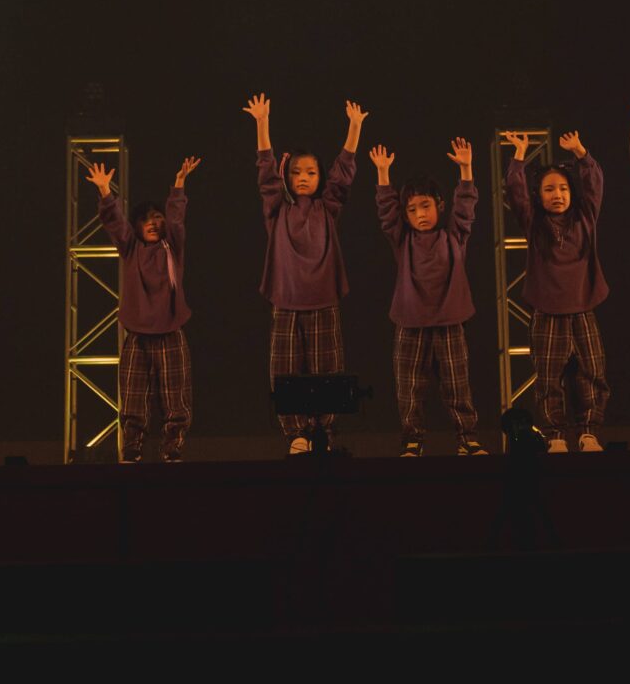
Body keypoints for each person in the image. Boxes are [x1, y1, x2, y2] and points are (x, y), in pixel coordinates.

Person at [249, 93, 364, 455]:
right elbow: (267, 174)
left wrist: (354, 128)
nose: (303, 178)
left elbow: (343, 175)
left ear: (319, 177)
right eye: (296, 172)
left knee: (327, 368)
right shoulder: (277, 209)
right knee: (284, 369)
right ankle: (295, 433)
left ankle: (323, 433)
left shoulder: (327, 207)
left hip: (323, 299)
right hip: (286, 301)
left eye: (311, 173)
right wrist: (262, 123)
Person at [373, 137, 486, 457]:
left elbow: (465, 208)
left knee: (457, 384)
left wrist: (466, 168)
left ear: (438, 205)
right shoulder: (403, 240)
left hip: (449, 321)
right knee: (409, 387)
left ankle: (467, 438)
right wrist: (383, 174)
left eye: (425, 206)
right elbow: (387, 213)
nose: (419, 214)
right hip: (410, 322)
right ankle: (413, 440)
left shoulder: (454, 236)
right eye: (412, 209)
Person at [502, 131, 611, 453]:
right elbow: (516, 193)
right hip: (547, 311)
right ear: (539, 195)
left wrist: (581, 152)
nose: (557, 195)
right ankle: (556, 435)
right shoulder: (534, 222)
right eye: (549, 189)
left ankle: (588, 432)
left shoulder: (585, 217)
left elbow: (594, 184)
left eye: (563, 188)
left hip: (583, 308)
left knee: (592, 373)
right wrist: (519, 157)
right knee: (549, 377)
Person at [88, 155, 197, 463]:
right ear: (136, 226)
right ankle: (132, 446)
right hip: (137, 335)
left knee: (176, 396)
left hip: (170, 333)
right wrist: (105, 191)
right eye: (145, 219)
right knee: (134, 396)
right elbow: (115, 223)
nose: (152, 222)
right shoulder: (131, 248)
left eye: (157, 217)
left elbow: (176, 219)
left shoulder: (172, 247)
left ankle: (172, 446)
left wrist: (179, 185)